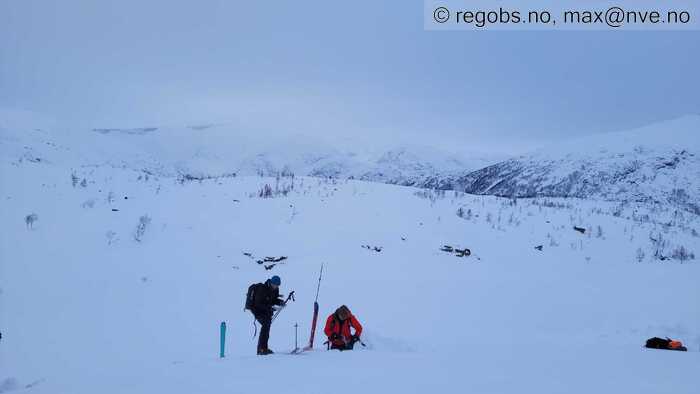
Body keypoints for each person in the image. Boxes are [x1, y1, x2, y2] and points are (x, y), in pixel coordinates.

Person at [248, 275, 285, 355]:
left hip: (266, 310)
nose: (276, 287)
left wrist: (280, 302)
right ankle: (261, 349)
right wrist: (270, 308)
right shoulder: (262, 289)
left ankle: (263, 348)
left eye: (278, 285)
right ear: (271, 282)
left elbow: (273, 300)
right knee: (266, 325)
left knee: (267, 326)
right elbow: (258, 303)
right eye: (275, 285)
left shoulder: (275, 289)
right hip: (256, 309)